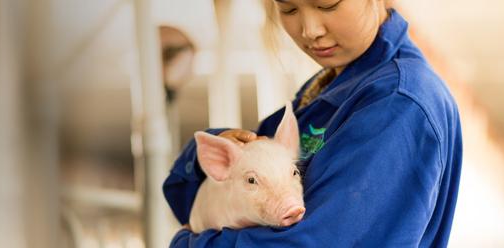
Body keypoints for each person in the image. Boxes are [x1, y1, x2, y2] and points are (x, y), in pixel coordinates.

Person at [163, 0, 462, 247]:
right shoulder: (331, 86)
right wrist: (223, 145)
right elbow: (190, 197)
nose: (309, 30)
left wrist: (186, 243)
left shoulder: (398, 103)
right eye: (288, 9)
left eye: (328, 4)